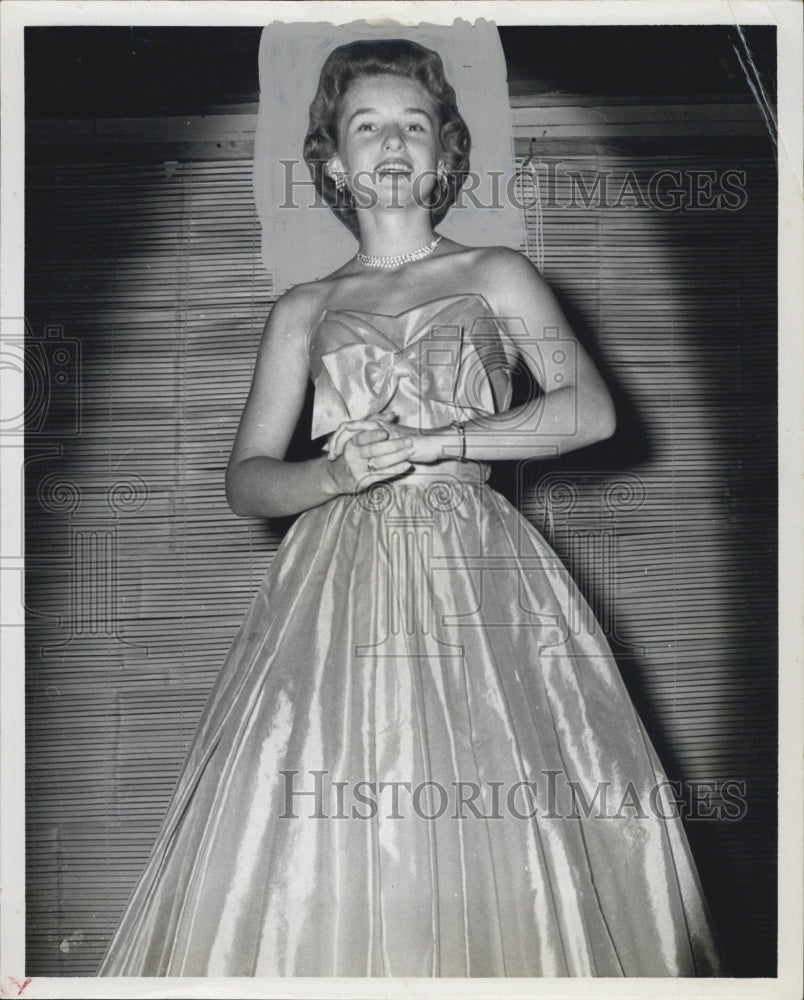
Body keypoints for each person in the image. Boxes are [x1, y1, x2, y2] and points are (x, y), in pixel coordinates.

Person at [99, 38, 724, 978]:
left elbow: (589, 410)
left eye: (413, 125)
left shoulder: (495, 272)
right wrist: (335, 478)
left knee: (494, 804)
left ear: (444, 153)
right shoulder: (303, 309)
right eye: (366, 127)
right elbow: (247, 477)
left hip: (478, 568)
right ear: (334, 161)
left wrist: (447, 441)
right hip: (332, 583)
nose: (391, 144)